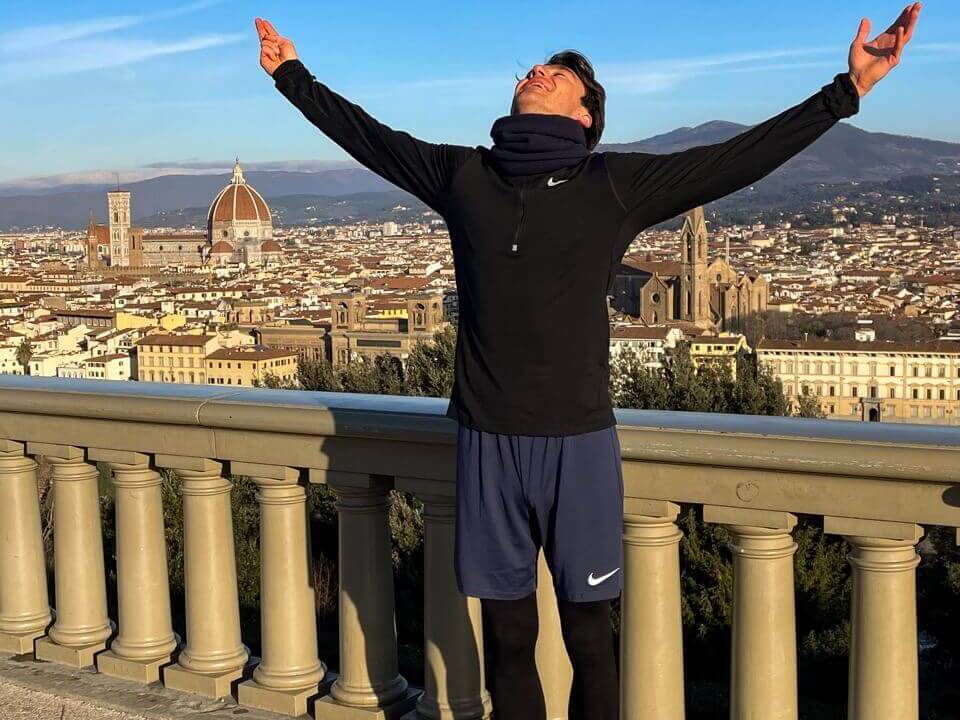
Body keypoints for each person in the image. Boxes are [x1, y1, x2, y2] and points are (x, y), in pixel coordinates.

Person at [256, 5, 920, 718]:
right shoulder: (463, 175)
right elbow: (369, 139)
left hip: (579, 444)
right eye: (536, 69)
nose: (540, 71)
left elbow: (735, 160)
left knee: (589, 639)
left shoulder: (612, 183)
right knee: (509, 639)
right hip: (487, 439)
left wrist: (846, 91)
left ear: (584, 116)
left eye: (561, 74)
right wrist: (292, 74)